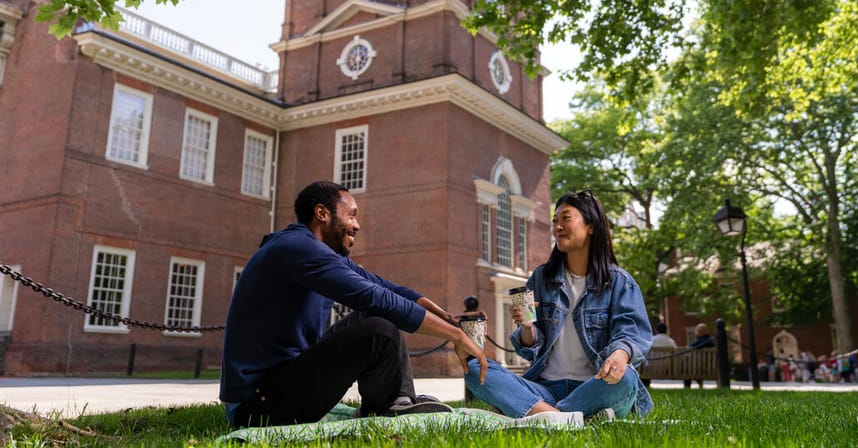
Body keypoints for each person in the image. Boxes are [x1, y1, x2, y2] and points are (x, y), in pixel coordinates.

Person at [219, 181, 487, 428]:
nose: (357, 225)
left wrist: (445, 317)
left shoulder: (311, 248)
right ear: (322, 213)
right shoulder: (298, 248)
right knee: (378, 330)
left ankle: (397, 402)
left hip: (278, 386)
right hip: (256, 406)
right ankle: (385, 407)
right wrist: (456, 336)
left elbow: (387, 288)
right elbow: (375, 297)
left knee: (375, 317)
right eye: (351, 214)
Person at [462, 190, 654, 425]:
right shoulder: (542, 278)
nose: (557, 226)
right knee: (475, 369)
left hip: (593, 386)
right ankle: (572, 418)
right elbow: (530, 348)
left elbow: (632, 332)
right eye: (555, 221)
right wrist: (527, 327)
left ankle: (543, 416)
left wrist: (620, 354)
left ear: (591, 226)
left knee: (626, 380)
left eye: (566, 218)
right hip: (544, 388)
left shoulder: (619, 282)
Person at [684, 323, 714, 388]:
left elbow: (690, 347)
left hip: (698, 369)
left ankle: (687, 387)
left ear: (698, 332)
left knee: (687, 369)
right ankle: (700, 385)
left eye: (696, 331)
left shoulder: (701, 341)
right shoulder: (711, 341)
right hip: (711, 369)